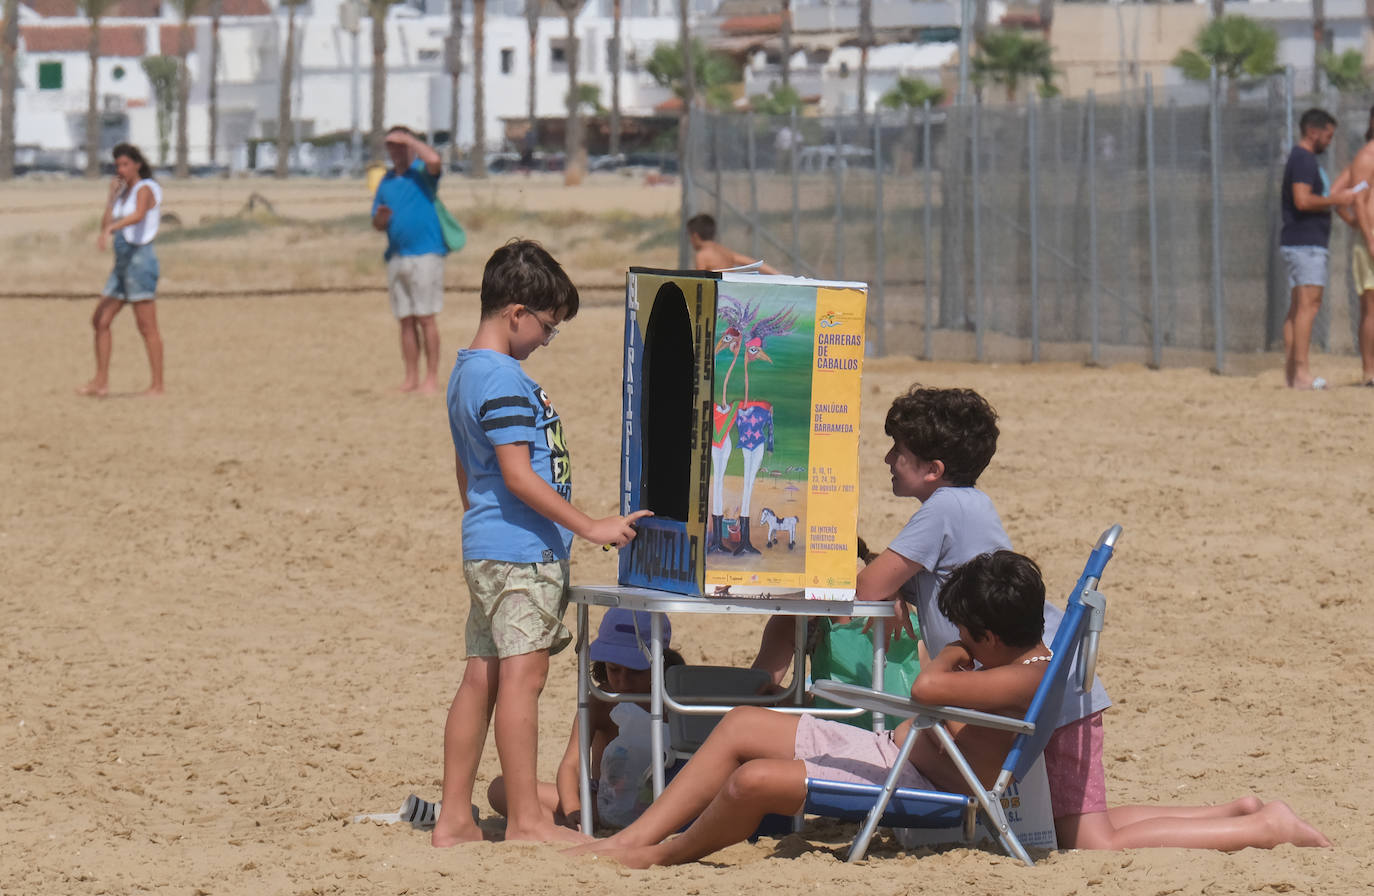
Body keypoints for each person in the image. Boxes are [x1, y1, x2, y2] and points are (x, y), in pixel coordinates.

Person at [568, 552, 1330, 868]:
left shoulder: (1014, 679)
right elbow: (936, 688)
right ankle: (636, 835)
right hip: (903, 754)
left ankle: (659, 855)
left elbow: (930, 688)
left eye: (967, 635)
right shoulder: (1028, 657)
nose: (956, 642)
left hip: (920, 782)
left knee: (751, 780)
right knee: (739, 728)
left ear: (993, 636)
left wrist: (950, 662)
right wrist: (960, 660)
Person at [430, 239, 652, 847]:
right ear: (516, 312)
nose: (545, 342)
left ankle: (453, 818)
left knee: (483, 675)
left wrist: (481, 519)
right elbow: (518, 473)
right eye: (547, 329)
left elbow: (466, 467)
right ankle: (528, 821)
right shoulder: (501, 377)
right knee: (522, 681)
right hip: (520, 553)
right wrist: (591, 525)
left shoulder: (466, 369)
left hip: (490, 544)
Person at [487, 609, 684, 830]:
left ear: (661, 662)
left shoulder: (677, 699)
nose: (622, 680)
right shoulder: (601, 701)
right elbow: (571, 764)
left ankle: (558, 823)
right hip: (603, 801)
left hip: (663, 802)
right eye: (614, 669)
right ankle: (566, 824)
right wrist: (574, 809)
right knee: (500, 788)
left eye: (635, 671)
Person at [78, 143, 165, 397]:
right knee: (100, 320)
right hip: (122, 264)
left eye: (125, 164)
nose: (121, 169)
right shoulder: (123, 193)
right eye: (117, 166)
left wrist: (112, 229)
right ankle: (100, 381)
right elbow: (107, 223)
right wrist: (111, 199)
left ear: (137, 164)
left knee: (147, 326)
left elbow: (138, 215)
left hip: (140, 261)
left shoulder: (145, 188)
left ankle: (157, 385)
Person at [1279, 108, 1356, 391]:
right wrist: (1339, 198)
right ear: (1313, 131)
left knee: (1299, 307)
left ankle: (1292, 374)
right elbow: (1302, 200)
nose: (1330, 141)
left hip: (1302, 243)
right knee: (1308, 307)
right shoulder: (1303, 159)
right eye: (1328, 135)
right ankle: (1301, 373)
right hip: (1306, 244)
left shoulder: (1304, 160)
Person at [371, 126, 448, 394]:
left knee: (426, 317)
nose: (395, 150)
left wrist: (411, 140)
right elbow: (377, 223)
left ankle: (431, 378)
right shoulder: (386, 181)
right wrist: (381, 219)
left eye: (399, 144)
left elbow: (435, 161)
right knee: (405, 319)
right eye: (391, 145)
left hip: (426, 254)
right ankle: (411, 377)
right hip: (397, 256)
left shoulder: (422, 175)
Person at [1332, 110, 1374, 387]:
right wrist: (1366, 235)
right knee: (1371, 308)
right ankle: (1370, 372)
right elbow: (1350, 199)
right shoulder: (1367, 156)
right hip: (1372, 239)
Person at [686, 214, 779, 274]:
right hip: (728, 296)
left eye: (689, 235)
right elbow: (754, 263)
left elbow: (699, 283)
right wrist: (778, 274)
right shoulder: (725, 252)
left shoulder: (702, 255)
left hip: (714, 297)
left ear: (695, 236)